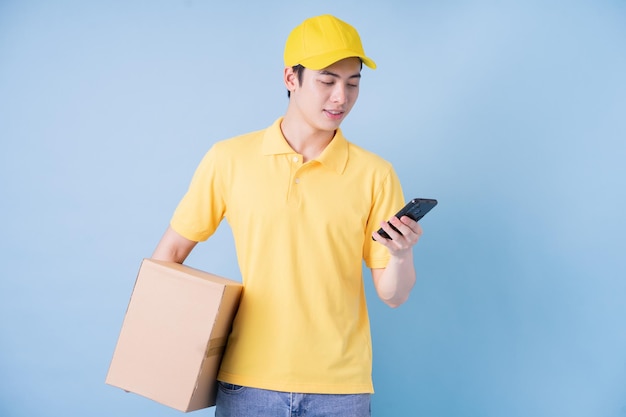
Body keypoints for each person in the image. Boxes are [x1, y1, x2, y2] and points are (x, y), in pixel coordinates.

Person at [152, 14, 423, 417]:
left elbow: (394, 295)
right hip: (247, 383)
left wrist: (400, 255)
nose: (341, 98)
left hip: (341, 389)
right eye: (327, 81)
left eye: (353, 83)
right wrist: (156, 355)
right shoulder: (230, 159)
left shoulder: (375, 174)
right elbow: (168, 256)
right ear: (290, 79)